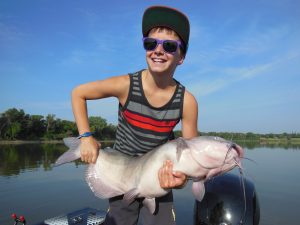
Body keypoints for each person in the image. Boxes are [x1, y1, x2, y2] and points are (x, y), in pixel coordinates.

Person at [71, 5, 198, 225]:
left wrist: (181, 180)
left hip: (159, 179)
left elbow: (190, 156)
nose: (158, 50)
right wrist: (86, 137)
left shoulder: (186, 101)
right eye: (151, 43)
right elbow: (78, 93)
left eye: (169, 46)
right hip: (121, 174)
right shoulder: (126, 85)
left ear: (182, 56)